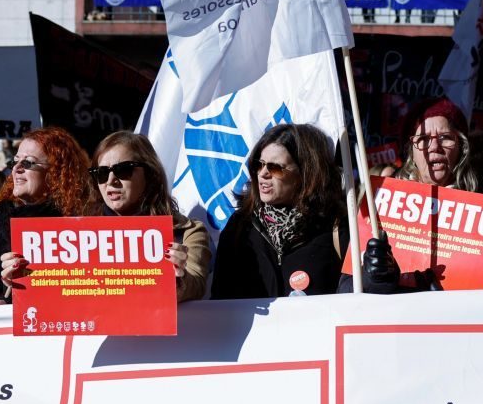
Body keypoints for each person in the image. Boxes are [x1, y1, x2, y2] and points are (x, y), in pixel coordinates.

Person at [211, 124, 349, 299]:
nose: (263, 174)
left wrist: (379, 277)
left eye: (275, 168)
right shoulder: (240, 227)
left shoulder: (335, 227)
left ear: (305, 173)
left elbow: (359, 301)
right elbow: (220, 301)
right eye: (258, 165)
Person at [0, 127, 92, 314]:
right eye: (15, 162)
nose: (16, 169)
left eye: (27, 163)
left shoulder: (72, 229)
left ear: (56, 172)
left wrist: (10, 305)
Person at [87, 132, 211, 303]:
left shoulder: (186, 231)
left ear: (150, 175)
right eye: (101, 173)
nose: (110, 180)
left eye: (123, 170)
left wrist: (177, 279)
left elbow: (195, 284)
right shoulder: (79, 237)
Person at [397, 97, 478, 191]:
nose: (434, 147)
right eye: (424, 138)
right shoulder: (383, 200)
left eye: (444, 137)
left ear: (460, 149)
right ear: (411, 154)